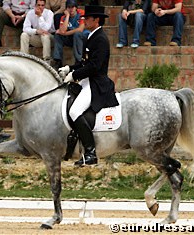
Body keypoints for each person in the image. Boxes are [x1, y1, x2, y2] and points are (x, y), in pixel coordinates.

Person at [59, 5, 119, 166]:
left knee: (74, 110)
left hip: (96, 83)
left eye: (87, 18)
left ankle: (91, 153)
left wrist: (75, 75)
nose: (84, 20)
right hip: (87, 81)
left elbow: (95, 66)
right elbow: (84, 62)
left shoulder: (100, 39)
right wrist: (70, 68)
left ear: (96, 20)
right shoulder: (91, 36)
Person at [52, 0, 88, 70]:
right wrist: (67, 16)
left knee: (77, 34)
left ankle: (78, 61)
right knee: (58, 36)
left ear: (76, 8)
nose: (71, 9)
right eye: (69, 7)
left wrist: (65, 33)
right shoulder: (64, 17)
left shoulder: (81, 13)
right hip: (71, 39)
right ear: (66, 9)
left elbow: (80, 29)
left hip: (82, 39)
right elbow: (62, 31)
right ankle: (58, 61)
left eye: (73, 7)